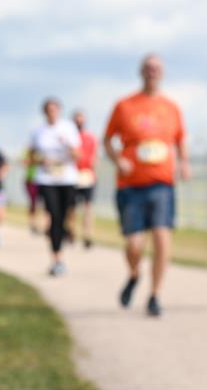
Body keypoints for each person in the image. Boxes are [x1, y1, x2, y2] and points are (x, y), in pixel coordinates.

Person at [103, 54, 189, 317]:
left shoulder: (171, 107)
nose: (152, 72)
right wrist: (119, 160)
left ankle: (155, 294)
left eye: (157, 68)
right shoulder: (124, 105)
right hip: (130, 185)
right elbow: (107, 141)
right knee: (134, 244)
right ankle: (133, 273)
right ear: (141, 72)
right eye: (148, 68)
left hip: (162, 183)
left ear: (162, 73)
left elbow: (180, 139)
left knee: (162, 238)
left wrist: (184, 162)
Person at [30, 97, 81, 276]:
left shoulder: (68, 128)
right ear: (44, 112)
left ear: (59, 111)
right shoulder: (38, 132)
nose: (52, 113)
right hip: (47, 179)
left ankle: (65, 233)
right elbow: (31, 156)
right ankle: (57, 259)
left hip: (66, 178)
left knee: (66, 216)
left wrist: (66, 144)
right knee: (53, 216)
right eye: (48, 110)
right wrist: (42, 160)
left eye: (55, 109)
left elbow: (78, 155)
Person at [71, 109, 98, 249]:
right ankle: (72, 233)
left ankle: (87, 235)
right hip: (72, 175)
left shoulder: (90, 137)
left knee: (88, 207)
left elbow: (93, 157)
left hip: (87, 175)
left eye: (81, 119)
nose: (79, 122)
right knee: (72, 208)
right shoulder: (70, 137)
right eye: (77, 119)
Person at [23, 147, 41, 235]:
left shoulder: (44, 149)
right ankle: (32, 224)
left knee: (46, 204)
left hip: (42, 180)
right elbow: (24, 163)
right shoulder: (29, 150)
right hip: (31, 180)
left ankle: (47, 225)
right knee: (33, 203)